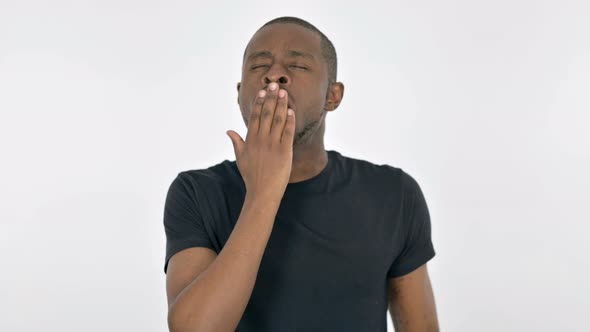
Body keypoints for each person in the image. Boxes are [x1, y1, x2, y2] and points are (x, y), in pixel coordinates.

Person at [163, 16, 439, 332]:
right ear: (241, 93)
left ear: (332, 96)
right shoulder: (196, 192)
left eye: (297, 66)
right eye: (258, 67)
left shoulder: (394, 193)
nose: (274, 75)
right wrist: (264, 189)